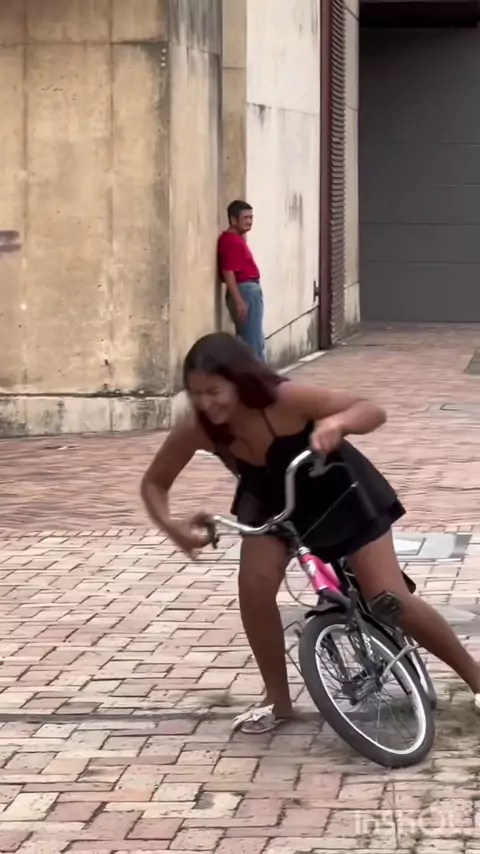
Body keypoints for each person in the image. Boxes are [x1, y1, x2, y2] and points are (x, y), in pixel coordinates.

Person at [141, 332, 480, 734]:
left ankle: (475, 679)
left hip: (338, 492)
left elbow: (370, 409)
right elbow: (154, 483)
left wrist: (338, 423)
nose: (206, 403)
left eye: (214, 391)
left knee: (388, 599)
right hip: (273, 503)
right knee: (253, 587)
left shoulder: (286, 399)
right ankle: (277, 701)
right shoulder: (199, 427)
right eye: (196, 393)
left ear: (240, 381)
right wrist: (172, 527)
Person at [217, 200, 265, 361]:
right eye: (245, 218)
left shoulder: (236, 239)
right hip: (246, 291)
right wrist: (239, 302)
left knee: (252, 340)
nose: (249, 221)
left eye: (251, 217)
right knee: (252, 343)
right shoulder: (231, 241)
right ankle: (255, 374)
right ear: (233, 219)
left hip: (247, 290)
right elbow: (228, 272)